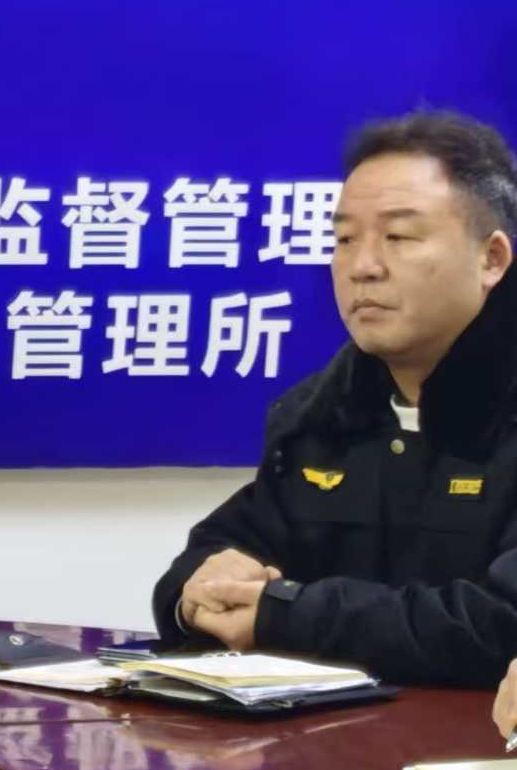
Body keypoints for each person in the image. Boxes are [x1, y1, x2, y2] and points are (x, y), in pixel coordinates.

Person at [152, 110, 517, 685]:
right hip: (331, 738)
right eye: (344, 240)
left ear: (491, 258)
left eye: (399, 237)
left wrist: (287, 616)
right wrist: (198, 592)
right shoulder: (325, 414)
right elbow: (225, 547)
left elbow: (500, 625)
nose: (362, 267)